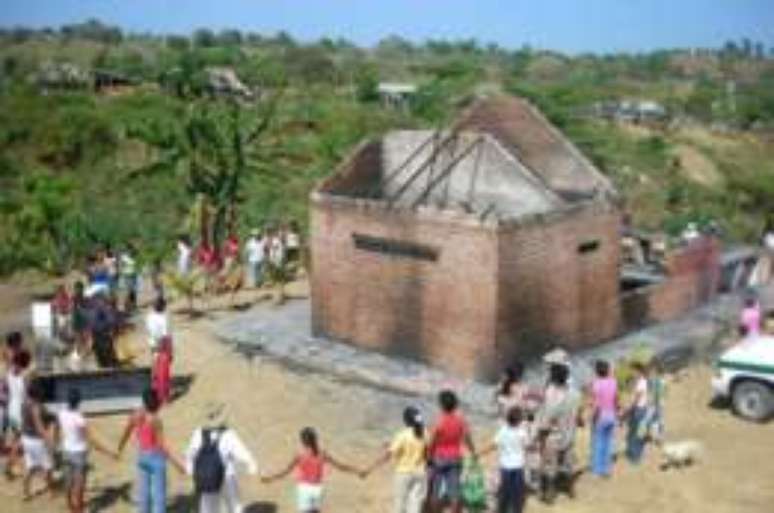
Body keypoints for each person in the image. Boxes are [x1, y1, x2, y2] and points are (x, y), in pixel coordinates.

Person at [261, 427, 363, 513]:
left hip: (304, 489)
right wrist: (358, 471)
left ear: (302, 441)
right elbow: (341, 467)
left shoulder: (299, 455)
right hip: (318, 489)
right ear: (315, 439)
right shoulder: (322, 454)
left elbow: (285, 471)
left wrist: (270, 478)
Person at [117, 388, 185, 513]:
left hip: (142, 455)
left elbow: (126, 432)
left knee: (144, 492)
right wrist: (177, 464)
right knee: (159, 494)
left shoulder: (135, 415)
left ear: (143, 401)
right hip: (156, 457)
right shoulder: (156, 420)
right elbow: (161, 446)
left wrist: (120, 447)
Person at [185, 402, 258, 513]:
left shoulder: (198, 433)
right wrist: (252, 465)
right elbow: (241, 452)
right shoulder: (228, 434)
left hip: (206, 476)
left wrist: (190, 469)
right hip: (227, 475)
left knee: (208, 506)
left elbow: (190, 453)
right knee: (234, 505)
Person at [57, 388, 117, 513]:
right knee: (79, 485)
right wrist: (109, 453)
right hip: (79, 453)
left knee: (68, 481)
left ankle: (70, 506)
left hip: (66, 451)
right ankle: (79, 510)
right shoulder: (79, 419)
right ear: (79, 402)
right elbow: (91, 440)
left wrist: (57, 442)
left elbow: (57, 427)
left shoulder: (61, 413)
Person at [364, 406, 427, 513]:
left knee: (399, 506)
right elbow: (426, 452)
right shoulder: (425, 433)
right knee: (415, 506)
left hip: (404, 474)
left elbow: (388, 455)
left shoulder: (402, 435)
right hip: (420, 473)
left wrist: (369, 469)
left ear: (406, 420)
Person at [535, 363, 581, 503]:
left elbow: (547, 418)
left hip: (553, 437)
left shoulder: (551, 394)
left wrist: (540, 435)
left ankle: (549, 494)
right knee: (567, 464)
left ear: (553, 377)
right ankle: (570, 490)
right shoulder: (575, 393)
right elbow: (578, 414)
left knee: (550, 466)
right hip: (569, 434)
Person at [427, 390, 477, 513]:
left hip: (439, 458)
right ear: (455, 405)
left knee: (435, 491)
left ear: (441, 405)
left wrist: (428, 457)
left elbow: (432, 442)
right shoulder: (461, 421)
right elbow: (467, 438)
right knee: (454, 491)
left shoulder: (438, 422)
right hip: (455, 458)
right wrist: (473, 451)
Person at [479, 407, 528, 513]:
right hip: (518, 466)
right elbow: (526, 445)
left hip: (505, 467)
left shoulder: (503, 431)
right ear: (519, 421)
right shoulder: (522, 432)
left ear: (507, 419)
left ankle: (502, 509)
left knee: (504, 491)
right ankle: (516, 509)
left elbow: (492, 445)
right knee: (517, 493)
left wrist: (479, 454)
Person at [20, 381, 55, 500]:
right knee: (48, 467)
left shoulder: (24, 403)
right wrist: (49, 440)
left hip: (26, 438)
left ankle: (25, 492)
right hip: (36, 440)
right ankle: (50, 491)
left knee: (30, 466)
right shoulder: (36, 406)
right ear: (37, 393)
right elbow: (39, 426)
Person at [4, 348, 32, 480]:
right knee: (21, 439)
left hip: (11, 408)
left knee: (16, 438)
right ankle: (12, 466)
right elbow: (27, 397)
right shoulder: (25, 375)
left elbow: (7, 390)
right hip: (20, 409)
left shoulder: (9, 373)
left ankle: (12, 466)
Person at [589, 360, 618, 478]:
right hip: (612, 415)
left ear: (596, 371)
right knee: (608, 442)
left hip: (601, 416)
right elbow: (616, 399)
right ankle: (607, 468)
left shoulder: (596, 384)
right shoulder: (613, 382)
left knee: (598, 443)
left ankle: (597, 470)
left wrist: (592, 417)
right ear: (607, 370)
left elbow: (596, 405)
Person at [625, 362, 649, 464]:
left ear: (638, 371)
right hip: (641, 409)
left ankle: (635, 457)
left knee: (635, 433)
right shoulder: (642, 381)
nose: (632, 373)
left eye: (633, 371)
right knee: (638, 433)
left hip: (639, 409)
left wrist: (628, 410)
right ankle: (636, 455)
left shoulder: (641, 383)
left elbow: (636, 399)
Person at [646, 362, 666, 447]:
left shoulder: (655, 380)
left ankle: (642, 437)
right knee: (658, 421)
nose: (650, 373)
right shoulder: (661, 380)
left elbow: (655, 392)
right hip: (659, 403)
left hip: (655, 403)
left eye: (651, 371)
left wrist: (652, 401)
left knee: (648, 420)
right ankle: (658, 438)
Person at [152, 336, 173, 406]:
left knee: (162, 378)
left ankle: (163, 398)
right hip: (162, 356)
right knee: (161, 378)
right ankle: (163, 398)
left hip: (163, 356)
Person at [120, 244, 139, 312]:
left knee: (134, 291)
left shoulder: (134, 257)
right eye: (130, 250)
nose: (130, 251)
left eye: (131, 250)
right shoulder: (124, 257)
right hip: (127, 275)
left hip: (133, 275)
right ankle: (127, 306)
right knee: (128, 291)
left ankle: (134, 306)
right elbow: (121, 266)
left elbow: (137, 252)